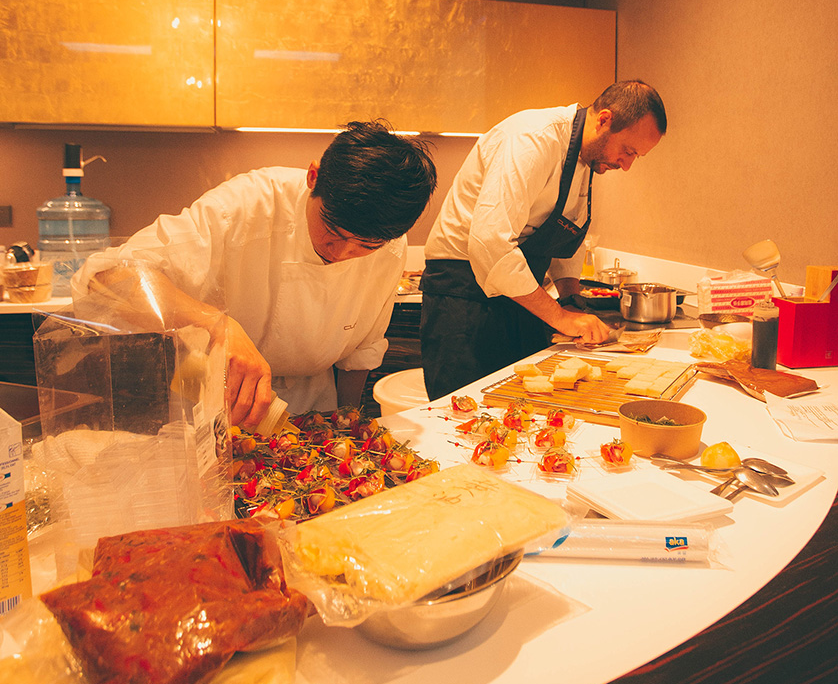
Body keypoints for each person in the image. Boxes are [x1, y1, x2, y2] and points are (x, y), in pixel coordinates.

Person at [72, 121, 437, 426]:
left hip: (315, 406)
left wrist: (343, 424)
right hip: (216, 404)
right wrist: (216, 326)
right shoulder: (248, 203)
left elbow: (362, 351)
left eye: (365, 247)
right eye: (333, 231)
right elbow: (105, 277)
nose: (342, 254)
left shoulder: (390, 243)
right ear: (313, 177)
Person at [420, 80, 667, 400]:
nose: (627, 165)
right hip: (464, 293)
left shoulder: (586, 158)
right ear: (604, 120)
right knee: (465, 413)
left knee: (526, 409)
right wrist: (561, 317)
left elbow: (564, 231)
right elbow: (490, 244)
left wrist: (569, 297)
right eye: (628, 151)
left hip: (521, 296)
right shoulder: (531, 140)